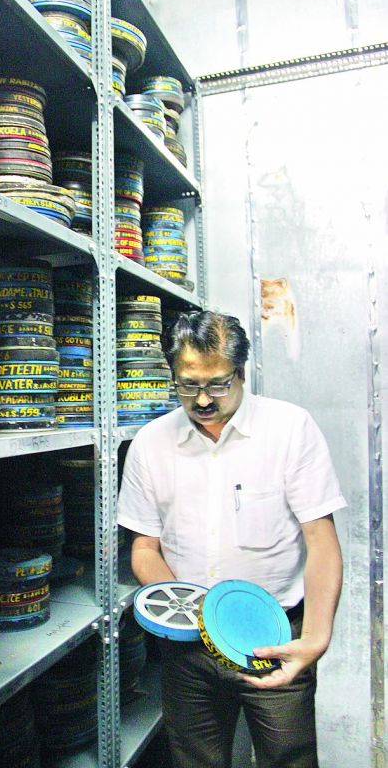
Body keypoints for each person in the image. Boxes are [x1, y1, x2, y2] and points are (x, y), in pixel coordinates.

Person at [118, 310, 345, 768]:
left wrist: (316, 638)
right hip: (188, 646)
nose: (202, 399)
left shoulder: (289, 430)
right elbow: (144, 547)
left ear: (241, 371)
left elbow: (321, 541)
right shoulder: (149, 443)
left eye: (218, 384)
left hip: (275, 638)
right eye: (187, 385)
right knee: (194, 761)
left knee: (290, 760)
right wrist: (181, 607)